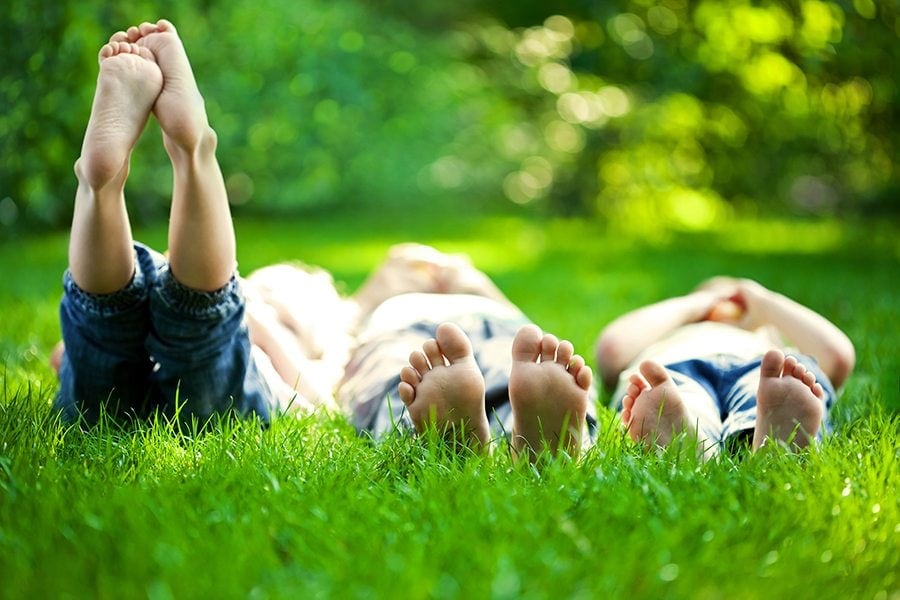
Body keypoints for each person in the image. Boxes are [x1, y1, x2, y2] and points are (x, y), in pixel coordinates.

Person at [55, 20, 277, 426]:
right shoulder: (318, 320)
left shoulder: (296, 310)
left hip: (147, 355)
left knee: (113, 331)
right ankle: (190, 151)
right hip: (218, 383)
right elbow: (304, 383)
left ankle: (119, 180)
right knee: (141, 330)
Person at [245, 243, 597, 460]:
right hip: (407, 334)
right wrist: (364, 303)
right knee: (409, 381)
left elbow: (527, 337)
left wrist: (475, 285)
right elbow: (316, 397)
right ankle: (534, 444)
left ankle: (532, 435)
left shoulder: (348, 323)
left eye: (284, 310)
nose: (267, 311)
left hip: (489, 318)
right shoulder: (340, 346)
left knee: (530, 370)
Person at [594, 277, 855, 457]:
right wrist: (695, 304)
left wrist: (763, 302)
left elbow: (837, 357)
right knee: (676, 400)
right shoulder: (671, 334)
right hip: (675, 367)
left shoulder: (770, 343)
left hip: (760, 369)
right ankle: (690, 444)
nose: (727, 300)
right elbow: (612, 349)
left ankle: (776, 438)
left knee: (773, 390)